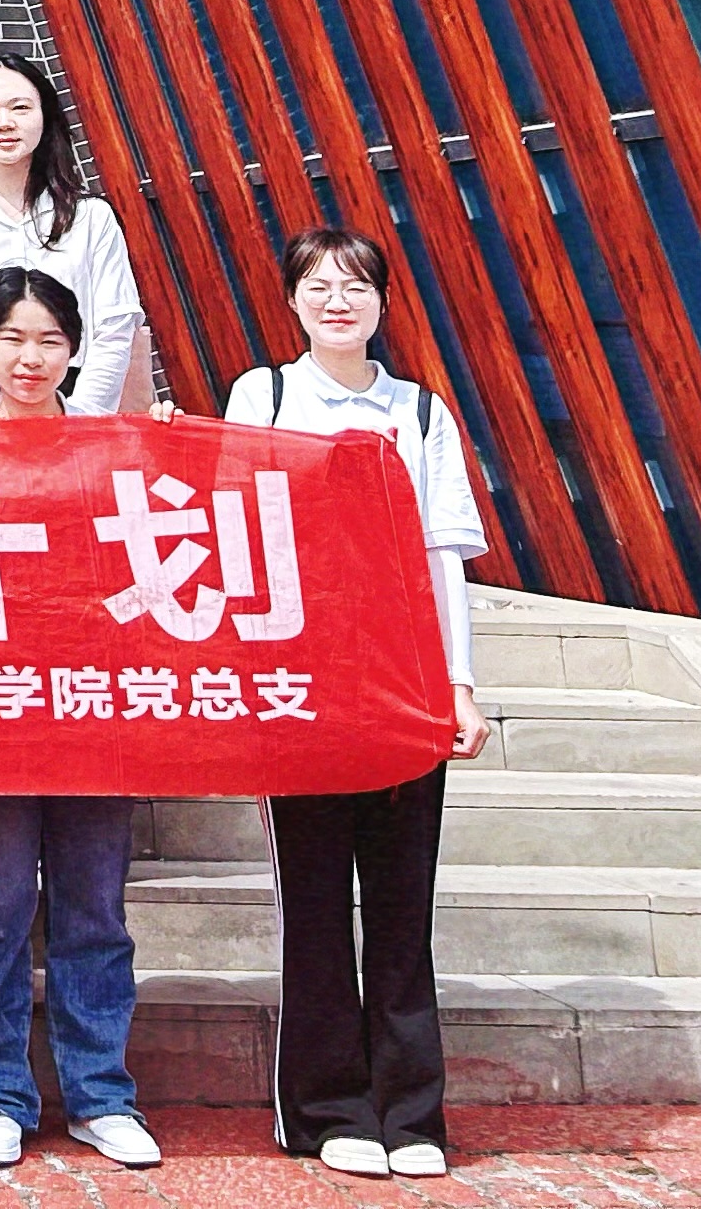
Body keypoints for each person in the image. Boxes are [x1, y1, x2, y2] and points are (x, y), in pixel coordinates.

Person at [226, 228, 491, 1181]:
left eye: (356, 286)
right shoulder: (263, 397)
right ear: (291, 299)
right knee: (314, 906)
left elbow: (444, 555)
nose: (338, 301)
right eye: (318, 285)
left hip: (404, 686)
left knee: (401, 906)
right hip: (304, 688)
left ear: (382, 301)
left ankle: (413, 1114)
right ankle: (329, 1110)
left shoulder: (419, 412)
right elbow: (238, 538)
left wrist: (459, 684)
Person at [0, 268, 157, 1170]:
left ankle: (101, 1094)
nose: (30, 359)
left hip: (93, 715)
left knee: (93, 910)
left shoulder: (113, 452)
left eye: (49, 342)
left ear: (75, 351)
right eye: (12, 340)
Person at [0, 53, 150, 415]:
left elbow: (114, 327)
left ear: (45, 117)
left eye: (20, 108)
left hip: (71, 403)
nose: (4, 123)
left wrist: (80, 415)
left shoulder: (91, 217)